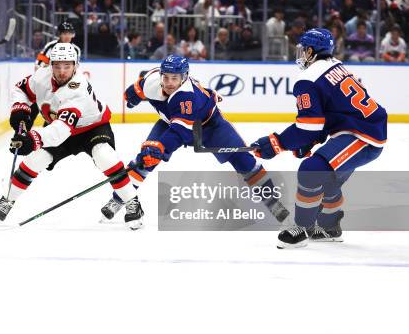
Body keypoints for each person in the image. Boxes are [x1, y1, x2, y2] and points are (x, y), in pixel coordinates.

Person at [100, 55, 287, 223]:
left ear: (185, 77)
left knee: (244, 161)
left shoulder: (186, 97)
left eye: (175, 78)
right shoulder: (152, 81)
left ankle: (273, 202)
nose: (169, 82)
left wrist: (160, 148)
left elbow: (180, 132)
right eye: (166, 77)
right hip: (172, 121)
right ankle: (119, 199)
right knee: (145, 159)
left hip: (210, 125)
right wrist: (131, 97)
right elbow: (135, 90)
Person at [251, 28, 387, 248]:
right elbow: (329, 117)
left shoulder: (307, 79)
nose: (301, 54)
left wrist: (276, 143)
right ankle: (329, 227)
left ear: (311, 51)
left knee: (311, 171)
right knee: (328, 178)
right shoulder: (335, 66)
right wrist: (308, 141)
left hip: (361, 136)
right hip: (363, 130)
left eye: (304, 50)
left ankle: (301, 229)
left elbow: (309, 127)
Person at [0, 43, 144, 229]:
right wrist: (20, 110)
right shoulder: (42, 76)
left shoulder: (77, 88)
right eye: (57, 65)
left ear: (76, 65)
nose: (62, 71)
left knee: (104, 155)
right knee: (36, 160)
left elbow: (60, 132)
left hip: (92, 128)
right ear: (51, 65)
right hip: (58, 125)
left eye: (67, 66)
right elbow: (21, 90)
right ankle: (8, 199)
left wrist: (32, 140)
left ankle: (132, 202)